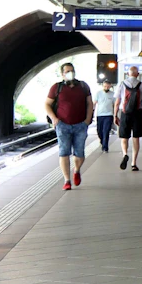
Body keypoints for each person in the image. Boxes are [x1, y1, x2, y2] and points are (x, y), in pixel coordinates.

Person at [45, 61, 92, 190]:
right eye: (67, 71)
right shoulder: (57, 88)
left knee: (80, 154)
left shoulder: (83, 86)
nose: (70, 73)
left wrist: (87, 120)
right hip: (62, 125)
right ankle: (67, 180)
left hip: (80, 125)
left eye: (72, 70)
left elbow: (89, 103)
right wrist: (54, 119)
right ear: (62, 74)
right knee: (63, 152)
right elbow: (47, 104)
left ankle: (76, 170)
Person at [115, 65, 142, 170]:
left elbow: (117, 102)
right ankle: (133, 163)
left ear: (128, 74)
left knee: (124, 137)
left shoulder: (122, 85)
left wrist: (115, 115)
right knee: (136, 139)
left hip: (125, 113)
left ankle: (124, 154)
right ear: (137, 74)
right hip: (137, 114)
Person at [93, 78, 117, 154]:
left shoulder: (113, 94)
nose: (106, 88)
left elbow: (115, 105)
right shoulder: (98, 93)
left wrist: (115, 115)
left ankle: (105, 147)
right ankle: (102, 141)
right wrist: (91, 112)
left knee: (106, 131)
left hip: (109, 115)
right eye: (105, 86)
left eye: (108, 86)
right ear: (103, 86)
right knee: (99, 131)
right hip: (100, 115)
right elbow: (94, 103)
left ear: (110, 86)